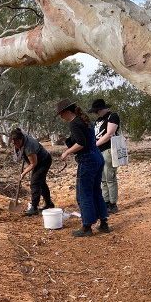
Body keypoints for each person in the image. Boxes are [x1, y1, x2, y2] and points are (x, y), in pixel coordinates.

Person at [56, 99, 109, 237]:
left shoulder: (74, 123)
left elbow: (81, 143)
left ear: (67, 112)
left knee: (83, 193)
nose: (61, 117)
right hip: (97, 157)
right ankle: (104, 223)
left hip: (88, 161)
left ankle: (87, 226)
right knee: (96, 191)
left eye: (61, 114)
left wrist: (67, 152)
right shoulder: (83, 120)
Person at [10, 128, 54, 216]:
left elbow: (33, 163)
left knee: (34, 183)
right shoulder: (21, 138)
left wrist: (23, 173)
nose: (15, 145)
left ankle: (34, 207)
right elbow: (19, 130)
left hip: (43, 161)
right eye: (13, 143)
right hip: (37, 161)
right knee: (41, 183)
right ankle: (49, 204)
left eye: (16, 143)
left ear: (21, 139)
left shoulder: (29, 147)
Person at [88, 99, 120, 213]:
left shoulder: (112, 116)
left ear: (102, 109)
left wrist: (95, 144)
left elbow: (110, 133)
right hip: (98, 151)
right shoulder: (99, 120)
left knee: (110, 177)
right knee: (103, 179)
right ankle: (105, 202)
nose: (96, 113)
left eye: (97, 111)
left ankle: (113, 203)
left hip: (108, 150)